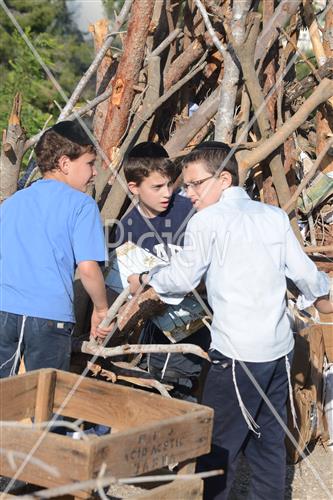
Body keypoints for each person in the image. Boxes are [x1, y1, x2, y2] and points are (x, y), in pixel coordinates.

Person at [128, 143, 333, 499]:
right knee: (268, 441)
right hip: (277, 351)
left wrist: (149, 278)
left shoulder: (208, 221)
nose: (187, 193)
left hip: (237, 355)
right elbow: (303, 272)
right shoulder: (272, 217)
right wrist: (322, 296)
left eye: (194, 184)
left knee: (219, 445)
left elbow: (182, 278)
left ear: (224, 179)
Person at [0, 120, 110, 379]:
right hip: (49, 317)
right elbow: (87, 268)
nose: (94, 173)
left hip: (3, 311)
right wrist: (102, 309)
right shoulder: (82, 205)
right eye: (90, 164)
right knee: (48, 401)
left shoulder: (14, 202)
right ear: (64, 163)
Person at [107, 141, 211, 401]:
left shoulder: (191, 212)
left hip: (198, 325)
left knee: (182, 391)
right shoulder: (126, 230)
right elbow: (117, 286)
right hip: (151, 334)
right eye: (156, 187)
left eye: (169, 184)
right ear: (134, 188)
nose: (166, 193)